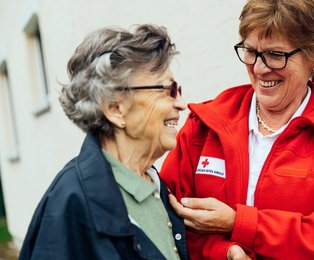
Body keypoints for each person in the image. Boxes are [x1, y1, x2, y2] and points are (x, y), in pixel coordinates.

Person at [160, 0, 314, 259]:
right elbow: (166, 221)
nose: (259, 68)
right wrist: (224, 252)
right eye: (251, 51)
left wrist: (240, 224)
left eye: (276, 55)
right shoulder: (206, 124)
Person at [19, 24, 189, 260]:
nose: (181, 104)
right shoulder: (71, 201)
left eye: (178, 90)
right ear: (115, 109)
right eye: (166, 90)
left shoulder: (155, 185)